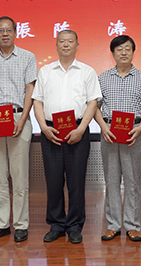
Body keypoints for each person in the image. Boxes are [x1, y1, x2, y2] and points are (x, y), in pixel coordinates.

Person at [33, 30, 101, 244]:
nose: (65, 44)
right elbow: (37, 101)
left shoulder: (87, 71)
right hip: (51, 130)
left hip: (78, 129)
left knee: (76, 181)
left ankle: (74, 226)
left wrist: (82, 128)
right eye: (61, 41)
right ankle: (56, 224)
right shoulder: (45, 71)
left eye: (70, 41)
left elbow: (92, 102)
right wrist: (43, 127)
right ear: (56, 45)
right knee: (53, 181)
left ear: (77, 45)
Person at [0, 16, 37, 243]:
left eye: (8, 30)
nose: (5, 34)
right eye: (0, 30)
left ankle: (21, 225)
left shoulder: (27, 57)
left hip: (18, 117)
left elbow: (30, 89)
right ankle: (1, 224)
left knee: (19, 176)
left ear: (15, 32)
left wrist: (24, 118)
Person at [94, 35, 141, 243]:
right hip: (109, 132)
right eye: (119, 49)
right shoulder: (103, 78)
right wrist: (103, 127)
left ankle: (132, 225)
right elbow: (95, 107)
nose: (124, 52)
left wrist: (140, 128)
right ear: (113, 53)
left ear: (133, 52)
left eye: (128, 49)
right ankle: (113, 225)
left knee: (131, 181)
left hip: (133, 133)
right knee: (111, 181)